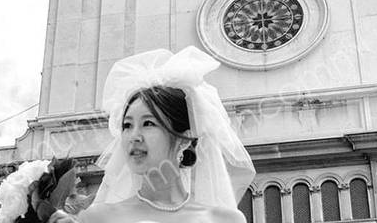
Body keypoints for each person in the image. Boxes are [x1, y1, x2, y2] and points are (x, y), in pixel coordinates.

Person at [51, 47, 255, 223]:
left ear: (183, 139)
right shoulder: (97, 218)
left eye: (148, 123)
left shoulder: (226, 220)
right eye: (127, 125)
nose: (134, 136)